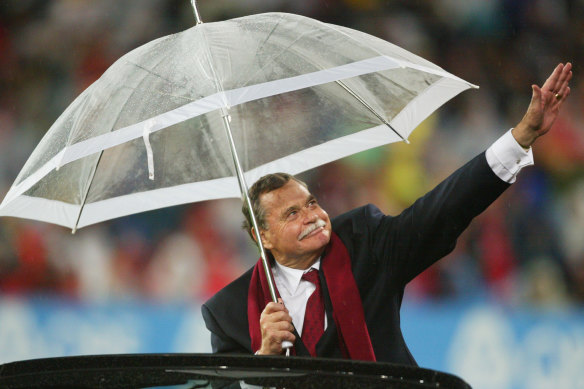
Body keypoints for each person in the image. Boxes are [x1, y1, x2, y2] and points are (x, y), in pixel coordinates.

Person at [201, 63, 572, 364]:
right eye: (292, 213)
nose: (311, 215)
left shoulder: (365, 241)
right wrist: (264, 357)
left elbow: (442, 209)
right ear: (261, 236)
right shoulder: (230, 312)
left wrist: (520, 137)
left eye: (312, 202)